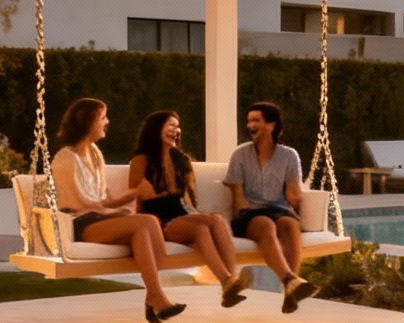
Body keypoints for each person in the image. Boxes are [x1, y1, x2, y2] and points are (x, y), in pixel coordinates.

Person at [51, 97, 186, 323]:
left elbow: (105, 199)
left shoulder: (94, 153)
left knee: (143, 229)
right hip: (78, 223)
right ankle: (155, 295)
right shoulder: (66, 158)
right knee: (147, 222)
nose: (107, 121)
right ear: (90, 121)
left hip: (96, 218)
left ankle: (155, 298)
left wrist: (130, 198)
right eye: (103, 117)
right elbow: (84, 205)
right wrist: (124, 207)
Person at [128, 110, 247, 309]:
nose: (176, 130)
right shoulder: (142, 160)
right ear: (156, 129)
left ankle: (228, 283)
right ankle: (228, 281)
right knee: (212, 220)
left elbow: (189, 202)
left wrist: (196, 215)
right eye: (171, 126)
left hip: (185, 219)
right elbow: (137, 198)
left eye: (177, 126)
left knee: (208, 225)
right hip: (161, 223)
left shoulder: (181, 161)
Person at [226, 101, 318, 312]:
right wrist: (244, 211)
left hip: (278, 209)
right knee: (266, 224)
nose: (250, 125)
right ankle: (290, 280)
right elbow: (237, 196)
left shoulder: (289, 155)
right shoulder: (240, 154)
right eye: (249, 121)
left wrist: (298, 211)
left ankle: (289, 291)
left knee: (288, 223)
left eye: (256, 120)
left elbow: (293, 194)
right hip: (250, 213)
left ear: (272, 125)